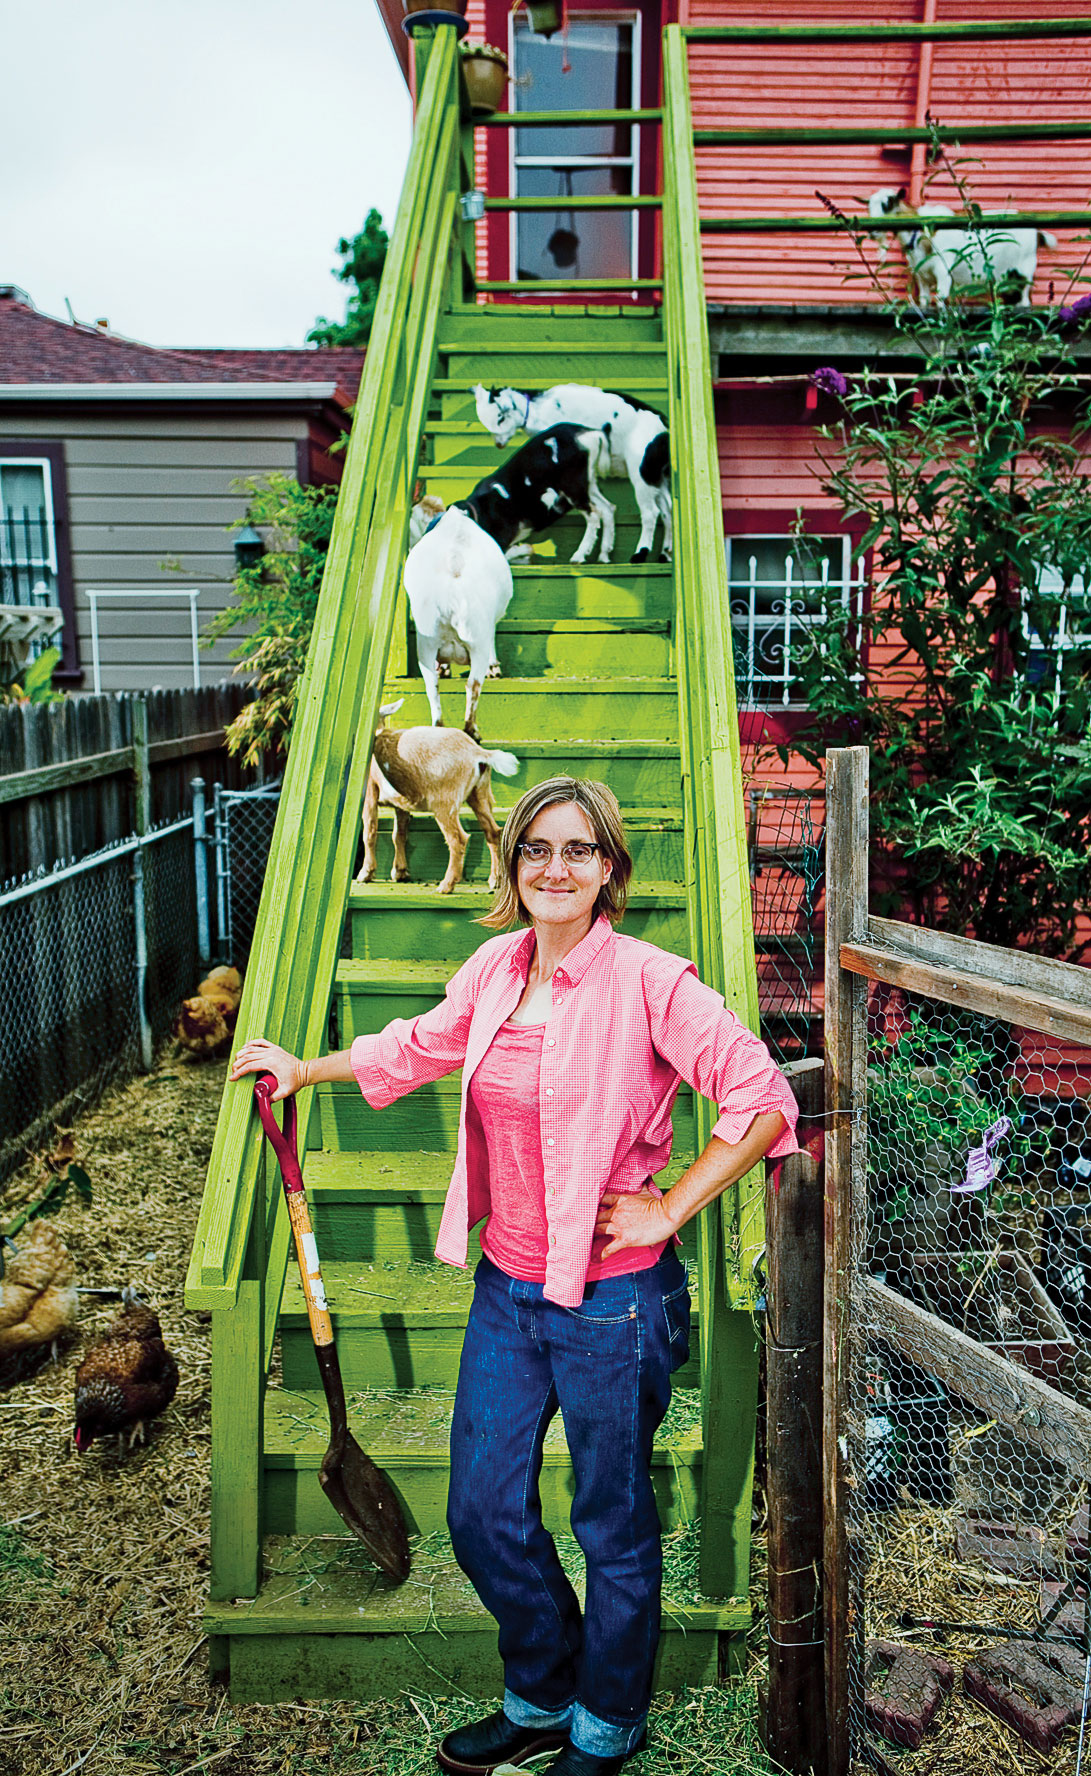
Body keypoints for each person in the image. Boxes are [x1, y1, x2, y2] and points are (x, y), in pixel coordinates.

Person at [230, 776, 799, 1776]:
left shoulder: (651, 982)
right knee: (481, 1511)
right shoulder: (495, 968)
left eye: (578, 850)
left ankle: (607, 1720)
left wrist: (669, 1207)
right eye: (536, 848)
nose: (555, 867)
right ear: (512, 865)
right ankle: (542, 1691)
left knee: (610, 1521)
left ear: (608, 868)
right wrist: (305, 1069)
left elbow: (760, 1097)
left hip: (614, 1298)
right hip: (507, 1288)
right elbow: (418, 1045)